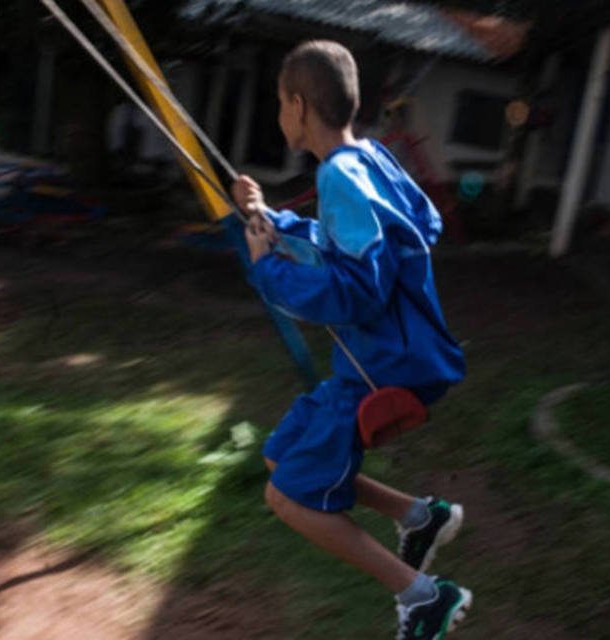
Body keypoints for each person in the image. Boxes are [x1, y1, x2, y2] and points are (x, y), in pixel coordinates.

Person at [231, 40, 472, 638]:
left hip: (385, 365)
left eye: (279, 105)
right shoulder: (367, 159)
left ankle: (425, 598)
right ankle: (420, 518)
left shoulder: (340, 175)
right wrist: (276, 221)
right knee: (281, 456)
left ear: (297, 103)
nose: (279, 116)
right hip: (393, 356)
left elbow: (357, 289)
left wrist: (269, 270)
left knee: (288, 498)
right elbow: (364, 240)